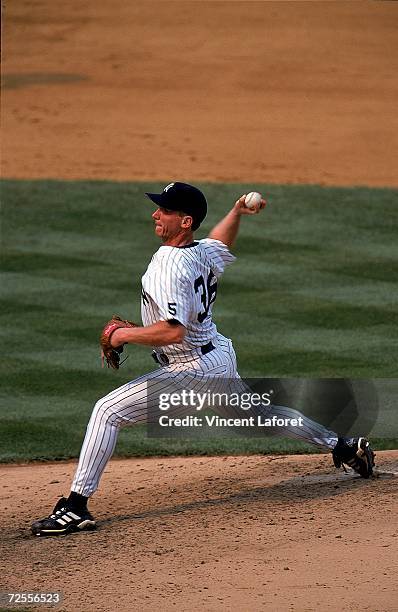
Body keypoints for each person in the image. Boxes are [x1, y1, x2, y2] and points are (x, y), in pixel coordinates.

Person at [31, 182, 375, 537]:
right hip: (218, 358)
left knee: (107, 411)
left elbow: (172, 332)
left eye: (164, 210)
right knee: (261, 416)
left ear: (185, 221)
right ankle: (343, 446)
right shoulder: (200, 252)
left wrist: (122, 335)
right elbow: (221, 243)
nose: (156, 214)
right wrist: (237, 213)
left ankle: (75, 507)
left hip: (190, 370)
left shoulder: (166, 266)